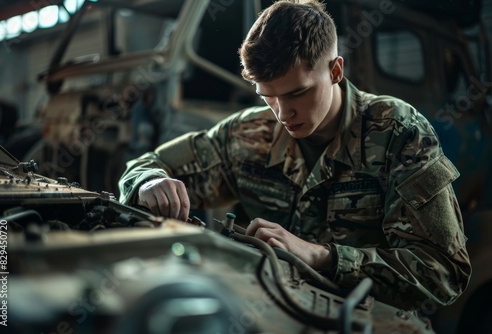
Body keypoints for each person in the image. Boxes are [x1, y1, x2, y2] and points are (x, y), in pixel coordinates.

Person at [118, 0, 471, 311]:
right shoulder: (248, 133)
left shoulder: (398, 131)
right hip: (271, 309)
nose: (282, 113)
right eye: (267, 96)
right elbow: (146, 166)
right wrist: (149, 181)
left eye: (297, 93)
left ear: (335, 71)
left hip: (370, 316)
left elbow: (443, 274)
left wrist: (323, 256)